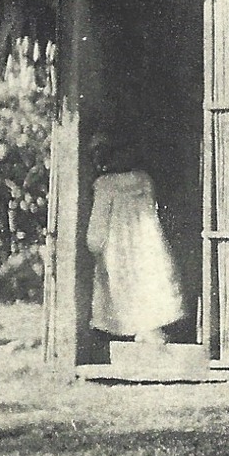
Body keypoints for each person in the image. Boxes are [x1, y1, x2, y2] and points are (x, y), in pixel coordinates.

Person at [86, 135, 186, 343]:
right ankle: (149, 328)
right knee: (149, 280)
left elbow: (98, 225)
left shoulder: (104, 185)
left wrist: (94, 244)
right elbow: (151, 208)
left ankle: (127, 330)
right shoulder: (143, 180)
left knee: (122, 284)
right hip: (145, 239)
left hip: (117, 244)